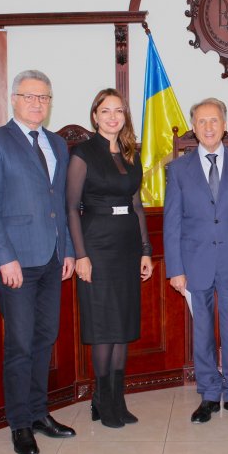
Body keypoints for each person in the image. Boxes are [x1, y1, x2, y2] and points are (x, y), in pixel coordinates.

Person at [0, 70, 76, 454]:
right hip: (16, 262)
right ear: (14, 99)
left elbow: (60, 203)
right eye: (29, 96)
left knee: (45, 338)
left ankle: (38, 413)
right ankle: (19, 424)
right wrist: (5, 257)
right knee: (19, 343)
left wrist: (67, 249)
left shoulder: (57, 144)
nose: (37, 103)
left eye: (44, 97)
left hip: (52, 258)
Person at [164, 98, 228, 424]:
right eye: (202, 121)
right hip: (195, 262)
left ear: (224, 125)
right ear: (193, 128)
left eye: (214, 120)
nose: (208, 127)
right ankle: (208, 393)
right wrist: (175, 268)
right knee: (202, 331)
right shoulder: (178, 169)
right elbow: (172, 222)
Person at [66, 88, 153, 429]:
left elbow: (137, 205)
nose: (113, 117)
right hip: (96, 244)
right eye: (106, 111)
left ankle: (117, 399)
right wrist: (81, 255)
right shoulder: (83, 153)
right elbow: (71, 208)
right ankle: (102, 400)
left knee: (123, 325)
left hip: (127, 245)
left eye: (118, 111)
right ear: (95, 116)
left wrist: (145, 250)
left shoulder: (131, 153)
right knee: (103, 326)